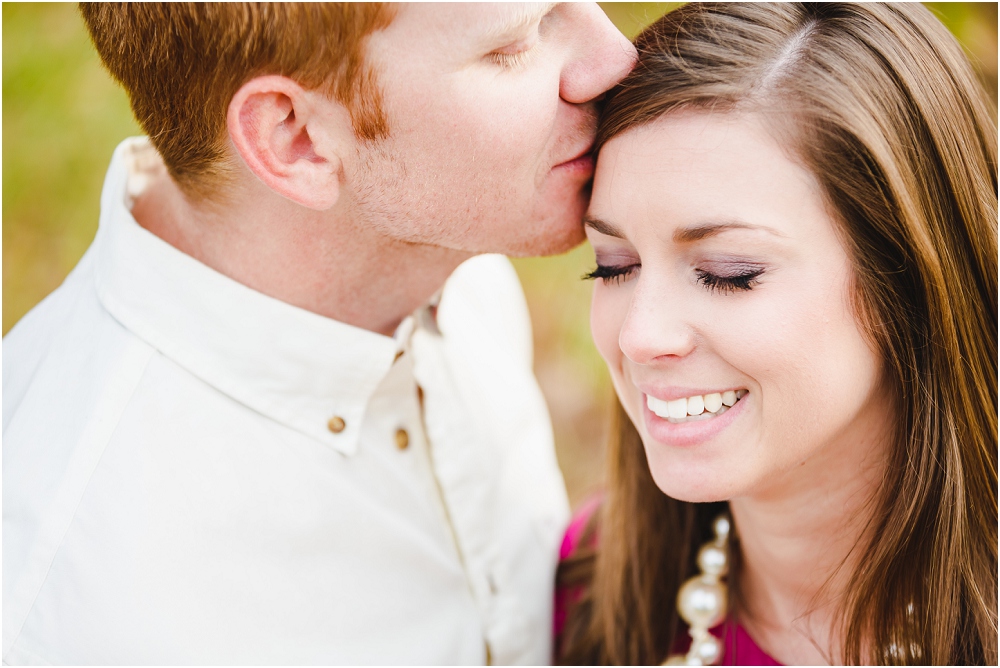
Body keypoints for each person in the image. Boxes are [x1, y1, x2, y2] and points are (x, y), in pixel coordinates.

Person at [2, 3, 636, 664]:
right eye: (513, 44)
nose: (615, 56)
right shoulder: (80, 609)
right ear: (295, 137)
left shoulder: (447, 267)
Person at [556, 3, 997, 665]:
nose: (641, 336)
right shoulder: (588, 589)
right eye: (614, 265)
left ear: (905, 278)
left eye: (727, 273)